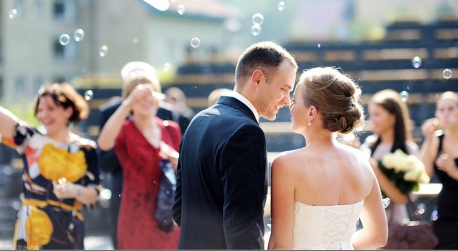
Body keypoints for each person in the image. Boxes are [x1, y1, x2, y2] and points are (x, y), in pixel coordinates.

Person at [173, 41, 298, 249]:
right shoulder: (246, 133)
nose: (287, 100)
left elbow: (179, 210)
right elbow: (242, 228)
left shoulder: (198, 120)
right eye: (283, 89)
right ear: (257, 79)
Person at [267, 67, 387, 250]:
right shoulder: (362, 161)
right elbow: (378, 237)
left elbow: (279, 246)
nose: (290, 108)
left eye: (294, 102)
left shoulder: (286, 165)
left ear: (311, 112)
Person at [0, 83, 100, 250]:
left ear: (68, 111)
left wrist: (75, 191)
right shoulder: (29, 138)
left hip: (68, 230)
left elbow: (94, 195)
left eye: (50, 108)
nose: (43, 114)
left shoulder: (87, 149)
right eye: (40, 109)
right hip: (32, 228)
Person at [97, 69, 182, 249]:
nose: (145, 99)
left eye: (150, 93)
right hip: (135, 219)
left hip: (167, 217)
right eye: (138, 95)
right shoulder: (124, 130)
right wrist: (127, 104)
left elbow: (187, 170)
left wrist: (177, 160)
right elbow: (104, 144)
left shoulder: (171, 129)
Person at [420, 91, 458, 249]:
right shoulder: (436, 140)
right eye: (441, 110)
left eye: (450, 109)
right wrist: (428, 140)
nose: (445, 113)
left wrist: (455, 171)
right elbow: (424, 174)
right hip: (444, 218)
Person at [360, 89, 419, 224]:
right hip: (369, 223)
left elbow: (402, 198)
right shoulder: (370, 144)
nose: (372, 120)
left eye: (377, 115)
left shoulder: (408, 149)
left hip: (396, 226)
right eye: (371, 115)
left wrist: (375, 169)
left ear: (392, 117)